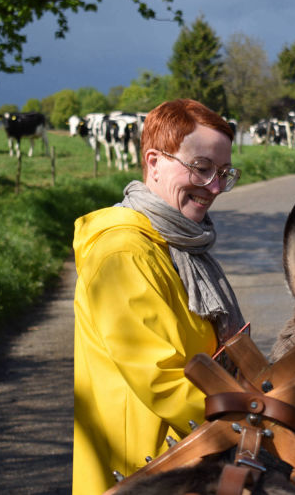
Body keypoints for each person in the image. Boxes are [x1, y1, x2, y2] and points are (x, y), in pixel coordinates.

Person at [72, 99, 245, 494]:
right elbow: (163, 379)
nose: (215, 187)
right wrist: (253, 419)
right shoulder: (123, 254)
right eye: (202, 169)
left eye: (223, 173)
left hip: (190, 462)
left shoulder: (177, 247)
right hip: (143, 472)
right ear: (153, 162)